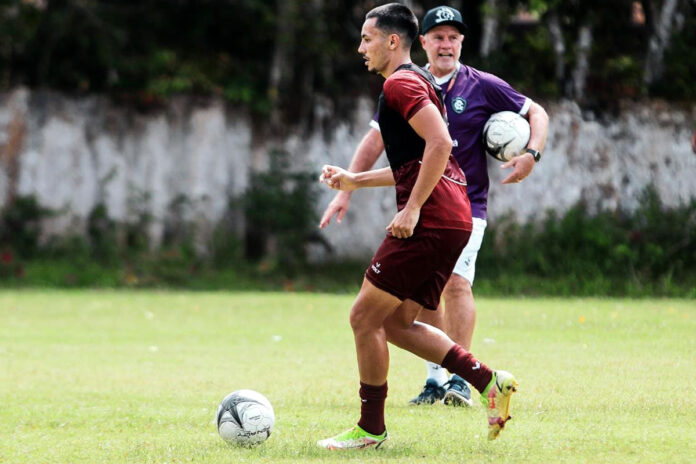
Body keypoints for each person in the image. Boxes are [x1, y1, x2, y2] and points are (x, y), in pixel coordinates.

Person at [320, 5, 549, 407]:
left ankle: (373, 427)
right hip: (451, 213)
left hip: (437, 215)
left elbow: (441, 147)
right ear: (421, 41)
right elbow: (416, 162)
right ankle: (485, 381)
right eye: (438, 36)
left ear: (393, 41)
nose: (360, 48)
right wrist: (354, 182)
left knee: (366, 316)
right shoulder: (423, 83)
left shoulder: (403, 86)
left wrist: (411, 209)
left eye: (367, 39)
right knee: (396, 321)